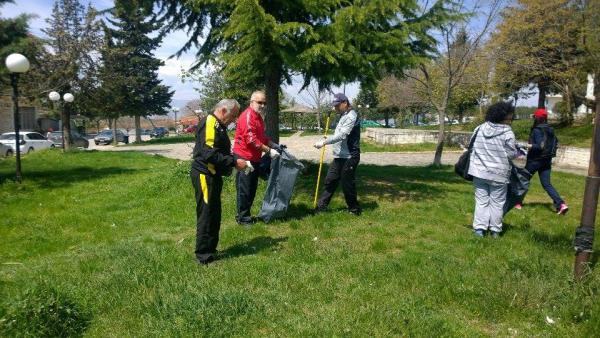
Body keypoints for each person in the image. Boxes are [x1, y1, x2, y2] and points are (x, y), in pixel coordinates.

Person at [190, 99, 249, 265]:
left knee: (214, 213)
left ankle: (211, 249)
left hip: (213, 176)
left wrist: (234, 159)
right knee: (207, 214)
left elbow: (219, 151)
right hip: (204, 175)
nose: (234, 119)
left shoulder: (218, 125)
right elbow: (208, 152)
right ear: (223, 110)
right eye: (233, 115)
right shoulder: (210, 122)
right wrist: (234, 163)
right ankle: (203, 256)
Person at [468, 102, 519, 238]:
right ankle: (495, 231)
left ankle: (479, 229)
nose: (511, 121)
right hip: (499, 174)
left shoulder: (479, 128)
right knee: (497, 203)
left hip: (479, 172)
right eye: (510, 118)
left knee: (481, 201)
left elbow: (471, 146)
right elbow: (511, 154)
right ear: (503, 117)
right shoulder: (508, 133)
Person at [233, 90, 281, 226]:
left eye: (264, 103)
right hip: (244, 157)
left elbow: (262, 137)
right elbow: (251, 140)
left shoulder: (258, 117)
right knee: (245, 188)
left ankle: (246, 215)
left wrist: (273, 144)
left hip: (254, 157)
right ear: (251, 102)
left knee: (251, 188)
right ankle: (243, 218)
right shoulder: (248, 116)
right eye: (259, 102)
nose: (263, 105)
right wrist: (269, 150)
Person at [313, 93, 361, 215]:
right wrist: (328, 138)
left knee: (347, 184)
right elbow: (337, 134)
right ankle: (321, 207)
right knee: (330, 180)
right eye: (334, 106)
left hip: (350, 156)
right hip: (339, 156)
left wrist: (324, 142)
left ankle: (354, 209)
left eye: (337, 105)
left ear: (345, 103)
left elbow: (343, 135)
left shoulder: (351, 116)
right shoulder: (343, 115)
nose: (335, 108)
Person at [515, 108, 568, 215]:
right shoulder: (550, 129)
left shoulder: (537, 130)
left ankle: (517, 203)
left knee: (522, 180)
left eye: (535, 117)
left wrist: (524, 145)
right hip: (546, 160)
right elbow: (554, 143)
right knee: (546, 184)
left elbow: (539, 146)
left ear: (537, 118)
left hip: (534, 161)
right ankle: (561, 204)